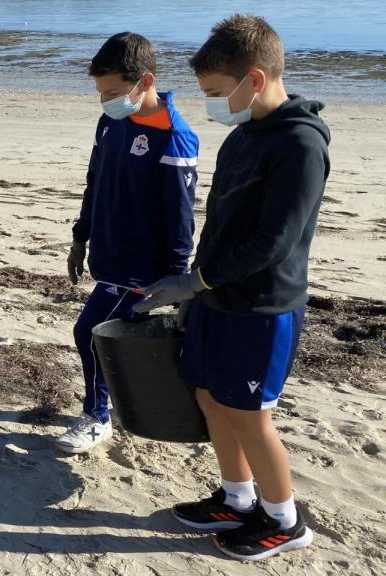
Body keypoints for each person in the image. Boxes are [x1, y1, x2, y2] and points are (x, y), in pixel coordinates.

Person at [133, 14, 328, 561]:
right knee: (209, 396)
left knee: (249, 413)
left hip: (264, 306)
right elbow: (220, 220)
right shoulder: (246, 134)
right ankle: (238, 499)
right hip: (216, 296)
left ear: (256, 80)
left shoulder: (299, 144)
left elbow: (275, 241)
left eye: (218, 92)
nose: (214, 103)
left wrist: (194, 281)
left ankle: (285, 520)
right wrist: (194, 291)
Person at [59, 32, 199, 454]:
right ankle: (118, 405)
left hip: (143, 267)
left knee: (90, 332)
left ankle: (97, 417)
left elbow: (181, 219)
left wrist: (176, 280)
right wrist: (79, 237)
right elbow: (95, 181)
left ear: (145, 82)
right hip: (109, 256)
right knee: (108, 337)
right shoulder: (111, 121)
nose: (106, 101)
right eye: (101, 93)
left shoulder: (174, 137)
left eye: (114, 92)